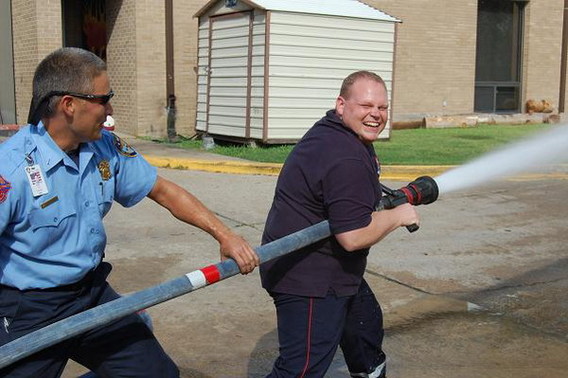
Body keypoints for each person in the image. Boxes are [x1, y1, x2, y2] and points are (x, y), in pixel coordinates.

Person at [0, 47, 259, 377]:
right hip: (28, 309)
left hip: (89, 294)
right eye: (103, 99)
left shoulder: (105, 147)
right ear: (68, 105)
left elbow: (163, 190)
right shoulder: (11, 170)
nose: (109, 110)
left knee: (157, 374)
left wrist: (225, 234)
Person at [260, 71, 420, 377]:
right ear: (341, 105)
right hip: (309, 279)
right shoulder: (345, 156)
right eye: (366, 105)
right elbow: (352, 235)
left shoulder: (336, 132)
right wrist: (399, 216)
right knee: (301, 370)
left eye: (382, 108)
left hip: (331, 268)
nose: (376, 114)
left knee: (365, 329)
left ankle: (369, 370)